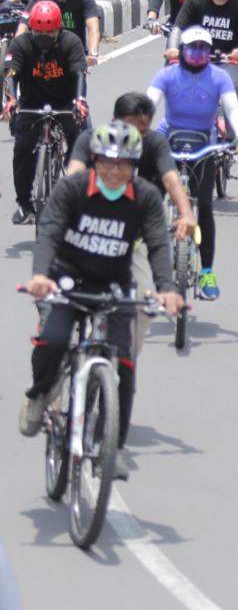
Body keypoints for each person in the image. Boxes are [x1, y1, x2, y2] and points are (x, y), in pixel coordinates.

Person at [18, 121, 184, 480]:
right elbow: (49, 230)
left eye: (123, 163)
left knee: (124, 365)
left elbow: (157, 243)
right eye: (107, 162)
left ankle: (115, 445)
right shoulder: (73, 188)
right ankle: (39, 394)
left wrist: (167, 287)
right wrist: (40, 275)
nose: (114, 170)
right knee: (53, 341)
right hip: (67, 279)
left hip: (114, 285)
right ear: (94, 160)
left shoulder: (146, 197)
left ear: (135, 166)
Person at [67, 93, 196, 363]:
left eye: (143, 129)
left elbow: (172, 180)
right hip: (90, 233)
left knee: (141, 306)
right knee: (61, 306)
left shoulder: (155, 145)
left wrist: (186, 213)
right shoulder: (92, 139)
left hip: (136, 237)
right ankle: (53, 381)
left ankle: (122, 363)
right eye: (130, 127)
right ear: (114, 122)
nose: (137, 136)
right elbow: (74, 175)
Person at [148, 27, 238, 300]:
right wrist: (136, 133)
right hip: (169, 137)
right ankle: (140, 234)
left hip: (204, 143)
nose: (197, 53)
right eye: (191, 48)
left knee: (204, 207)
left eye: (203, 49)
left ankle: (206, 270)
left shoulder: (218, 77)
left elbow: (231, 109)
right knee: (148, 188)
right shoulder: (167, 74)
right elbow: (148, 104)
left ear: (209, 53)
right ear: (181, 51)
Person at [3, 1, 88, 225]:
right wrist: (11, 99)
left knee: (81, 142)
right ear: (31, 28)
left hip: (65, 104)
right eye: (38, 32)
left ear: (59, 29)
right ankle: (24, 204)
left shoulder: (71, 43)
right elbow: (10, 74)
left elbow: (79, 73)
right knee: (22, 148)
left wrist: (80, 101)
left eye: (49, 32)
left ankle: (72, 193)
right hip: (31, 104)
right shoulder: (20, 44)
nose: (44, 37)